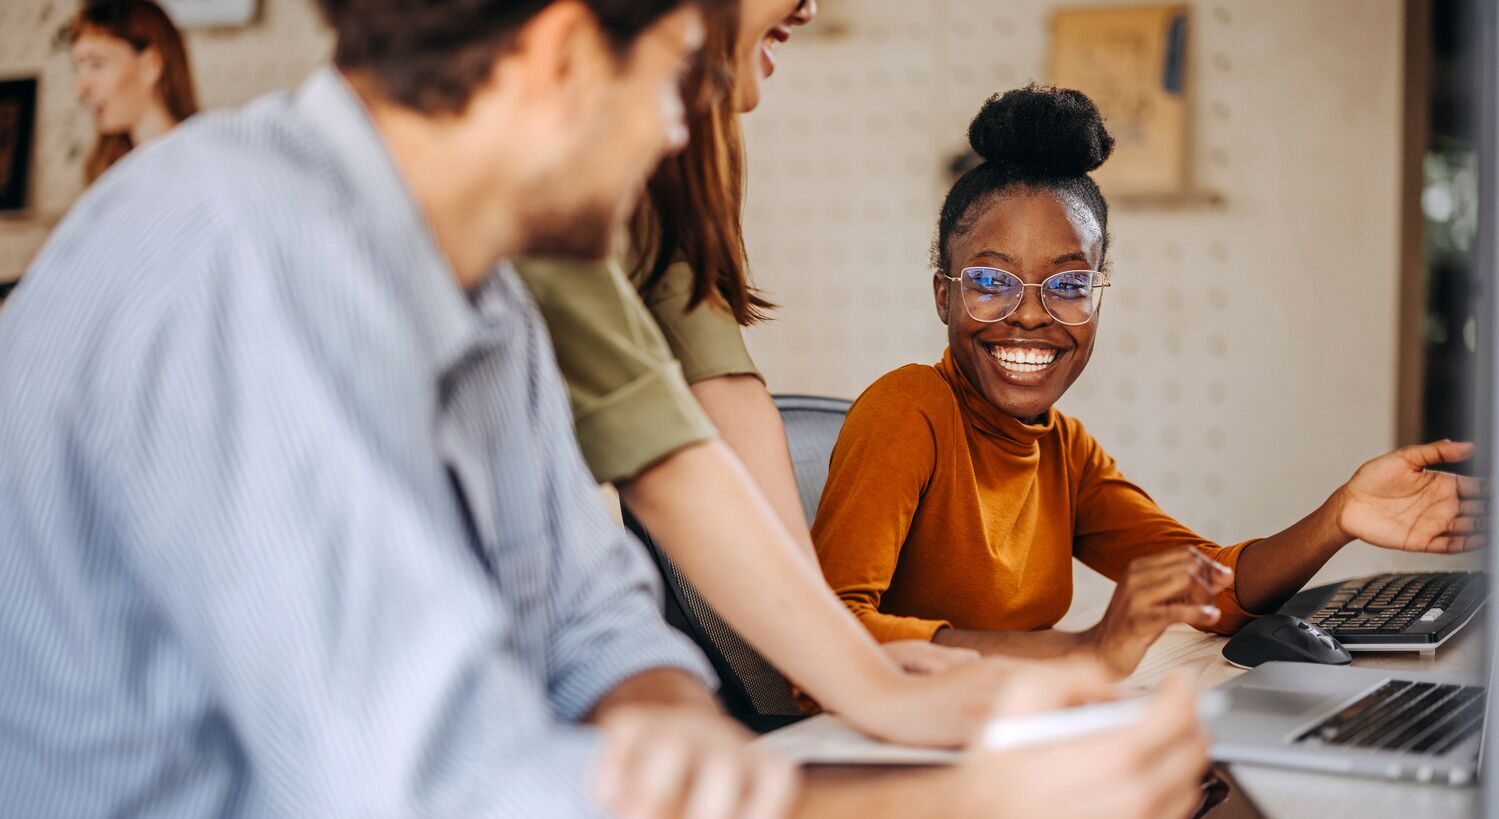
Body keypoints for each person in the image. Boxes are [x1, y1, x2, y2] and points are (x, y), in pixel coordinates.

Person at [0, 2, 1209, 817]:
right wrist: (943, 801)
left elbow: (591, 618)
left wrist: (667, 711)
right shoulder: (241, 263)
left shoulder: (488, 293)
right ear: (561, 57)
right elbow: (441, 788)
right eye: (670, 73)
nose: (693, 118)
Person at [813, 85, 1486, 679]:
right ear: (943, 295)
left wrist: (1339, 516)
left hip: (1006, 728)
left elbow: (1210, 587)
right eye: (990, 281)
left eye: (1069, 284)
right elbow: (827, 643)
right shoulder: (908, 408)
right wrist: (1083, 650)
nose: (1027, 313)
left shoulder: (1063, 452)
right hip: (892, 750)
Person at [517, 0, 997, 750]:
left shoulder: (662, 158)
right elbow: (666, 458)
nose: (810, 6)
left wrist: (835, 665)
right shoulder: (538, 184)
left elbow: (717, 394)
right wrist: (854, 680)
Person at [68, 0, 199, 184]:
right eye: (79, 67)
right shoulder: (107, 170)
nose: (81, 88)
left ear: (150, 65)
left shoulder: (204, 163)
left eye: (97, 64)